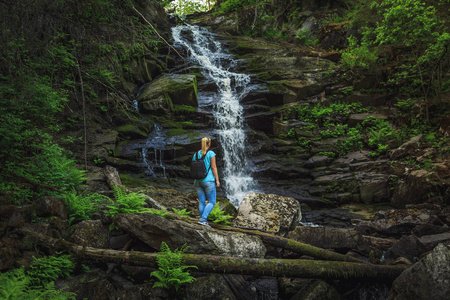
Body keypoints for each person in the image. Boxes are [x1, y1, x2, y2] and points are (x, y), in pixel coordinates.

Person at [193, 137, 220, 227]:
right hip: (208, 181)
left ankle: (202, 221)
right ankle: (203, 219)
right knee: (212, 202)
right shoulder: (211, 153)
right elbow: (213, 167)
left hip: (197, 181)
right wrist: (217, 180)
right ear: (209, 144)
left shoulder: (196, 154)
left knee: (201, 202)